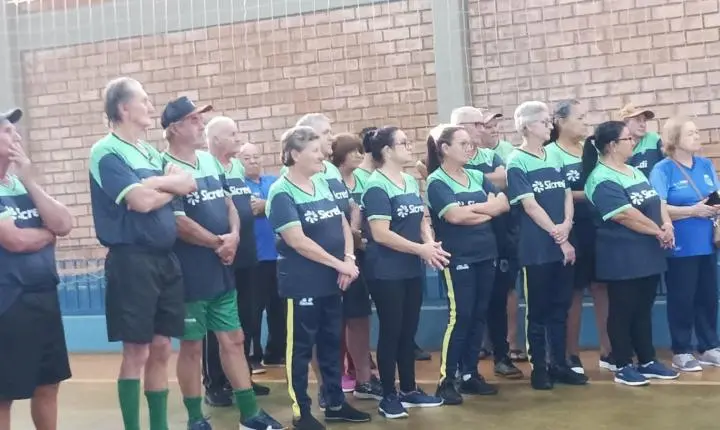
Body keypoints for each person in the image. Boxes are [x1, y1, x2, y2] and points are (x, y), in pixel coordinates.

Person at [160, 98, 282, 430]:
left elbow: (229, 202)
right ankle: (195, 418)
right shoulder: (164, 166)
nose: (201, 125)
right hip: (189, 274)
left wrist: (234, 237)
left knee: (234, 339)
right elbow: (178, 222)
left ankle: (250, 414)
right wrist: (218, 242)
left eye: (201, 119)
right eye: (193, 120)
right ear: (175, 128)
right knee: (191, 347)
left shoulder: (208, 162)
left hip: (221, 267)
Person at [89, 77, 196, 430]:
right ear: (124, 108)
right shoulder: (106, 152)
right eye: (145, 100)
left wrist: (157, 184)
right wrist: (168, 186)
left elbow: (187, 183)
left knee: (162, 346)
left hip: (165, 259)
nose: (151, 107)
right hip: (132, 261)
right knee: (137, 351)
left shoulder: (150, 152)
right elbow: (140, 201)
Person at [266, 125, 371, 430]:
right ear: (294, 154)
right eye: (314, 150)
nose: (322, 155)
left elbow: (342, 224)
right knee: (300, 350)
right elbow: (298, 241)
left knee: (330, 344)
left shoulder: (321, 183)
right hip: (302, 284)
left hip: (331, 281)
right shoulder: (281, 192)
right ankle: (301, 412)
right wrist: (340, 265)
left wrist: (348, 259)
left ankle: (336, 403)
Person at [582, 120, 678, 386]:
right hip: (621, 256)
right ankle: (622, 364)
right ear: (612, 145)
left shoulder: (634, 171)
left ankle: (647, 360)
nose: (633, 142)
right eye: (628, 139)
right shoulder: (600, 178)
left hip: (648, 252)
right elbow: (625, 215)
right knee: (622, 310)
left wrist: (667, 224)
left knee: (643, 309)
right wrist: (658, 231)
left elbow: (656, 201)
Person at [362, 126, 448, 419]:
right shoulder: (376, 186)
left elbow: (421, 218)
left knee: (408, 331)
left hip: (411, 267)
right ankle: (388, 395)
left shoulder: (410, 181)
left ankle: (409, 390)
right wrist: (420, 249)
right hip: (386, 270)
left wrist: (429, 244)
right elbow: (381, 233)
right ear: (387, 151)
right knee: (392, 331)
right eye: (403, 143)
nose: (409, 147)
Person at [424, 124, 510, 405]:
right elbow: (455, 216)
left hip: (486, 254)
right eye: (463, 144)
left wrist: (476, 211)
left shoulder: (476, 175)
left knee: (478, 315)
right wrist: (487, 210)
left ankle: (469, 374)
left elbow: (504, 204)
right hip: (458, 257)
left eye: (471, 144)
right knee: (460, 316)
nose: (469, 148)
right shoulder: (437, 181)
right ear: (445, 148)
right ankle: (446, 380)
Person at [505, 101, 588, 390]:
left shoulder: (553, 155)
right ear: (527, 126)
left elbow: (566, 193)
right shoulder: (517, 161)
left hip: (562, 242)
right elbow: (530, 205)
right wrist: (557, 233)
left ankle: (559, 364)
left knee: (560, 307)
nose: (549, 126)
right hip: (537, 248)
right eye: (543, 122)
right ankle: (539, 367)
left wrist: (567, 224)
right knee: (538, 311)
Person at [0, 108, 73, 430]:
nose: (16, 136)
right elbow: (14, 240)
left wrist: (29, 179)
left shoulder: (21, 185)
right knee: (4, 393)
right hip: (8, 303)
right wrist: (47, 235)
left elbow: (64, 223)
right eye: (6, 131)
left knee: (48, 383)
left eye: (14, 130)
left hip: (43, 299)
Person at [450, 106, 525, 376]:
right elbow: (454, 199)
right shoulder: (450, 163)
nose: (482, 129)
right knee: (468, 307)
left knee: (497, 299)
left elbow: (503, 182)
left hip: (498, 238)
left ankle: (502, 355)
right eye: (477, 124)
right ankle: (463, 368)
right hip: (465, 245)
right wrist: (487, 201)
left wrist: (478, 200)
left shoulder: (490, 156)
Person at [202, 118, 271, 409]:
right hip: (221, 258)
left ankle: (242, 378)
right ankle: (215, 383)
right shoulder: (206, 166)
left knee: (247, 320)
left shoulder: (237, 169)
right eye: (232, 134)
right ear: (216, 139)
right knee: (217, 325)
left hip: (248, 256)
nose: (238, 138)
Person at [544, 100, 613, 374]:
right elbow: (554, 192)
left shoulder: (591, 150)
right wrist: (592, 193)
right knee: (573, 293)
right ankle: (570, 354)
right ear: (560, 121)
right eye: (580, 118)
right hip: (571, 228)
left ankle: (609, 350)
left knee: (602, 287)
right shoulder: (550, 153)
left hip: (598, 226)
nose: (585, 123)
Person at [650, 117, 720, 371]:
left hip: (708, 242)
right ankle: (681, 350)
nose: (697, 136)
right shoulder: (663, 169)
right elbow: (658, 206)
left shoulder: (705, 164)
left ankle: (709, 346)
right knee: (682, 298)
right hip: (681, 245)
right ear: (674, 139)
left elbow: (716, 195)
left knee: (708, 296)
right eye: (691, 133)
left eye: (697, 132)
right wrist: (692, 211)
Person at [331, 133, 383, 400]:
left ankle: (363, 375)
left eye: (360, 150)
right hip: (340, 257)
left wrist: (358, 234)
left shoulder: (364, 179)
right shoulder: (330, 179)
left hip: (363, 254)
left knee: (360, 315)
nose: (358, 155)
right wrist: (352, 236)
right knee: (339, 319)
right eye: (352, 151)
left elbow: (361, 211)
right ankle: (339, 375)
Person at [238, 141, 286, 369]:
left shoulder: (272, 182)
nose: (253, 161)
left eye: (256, 156)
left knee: (279, 308)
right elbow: (248, 209)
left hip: (277, 256)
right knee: (253, 310)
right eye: (247, 158)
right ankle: (252, 357)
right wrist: (268, 206)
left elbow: (280, 207)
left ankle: (275, 353)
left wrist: (265, 205)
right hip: (254, 258)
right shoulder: (239, 185)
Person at [618, 103, 662, 178]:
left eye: (644, 120)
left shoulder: (653, 139)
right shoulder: (616, 146)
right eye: (638, 120)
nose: (643, 125)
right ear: (625, 123)